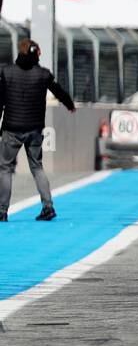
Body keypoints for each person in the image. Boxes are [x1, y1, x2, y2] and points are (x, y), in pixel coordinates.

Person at [0, 39, 75, 222]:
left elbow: (0, 100)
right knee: (37, 167)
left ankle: (2, 211)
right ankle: (48, 207)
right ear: (36, 53)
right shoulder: (43, 75)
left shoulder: (7, 72)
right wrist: (69, 104)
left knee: (5, 168)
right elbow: (58, 91)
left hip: (12, 128)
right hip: (34, 129)